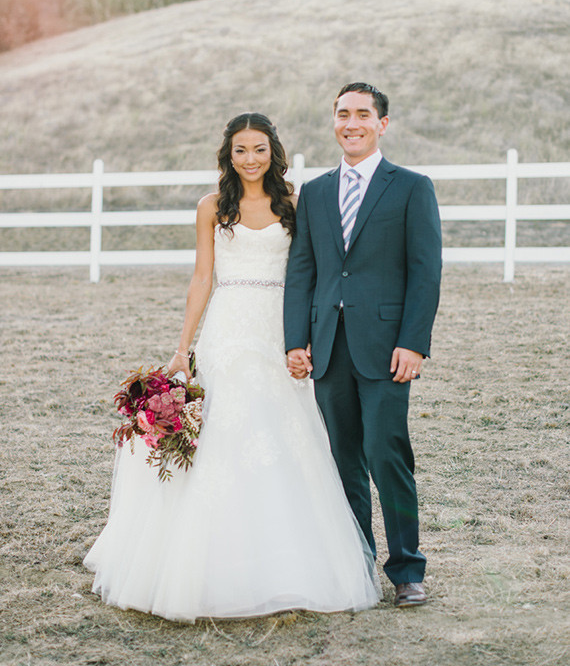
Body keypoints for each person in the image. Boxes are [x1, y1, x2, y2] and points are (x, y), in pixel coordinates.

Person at [84, 112, 380, 622]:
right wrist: (183, 349)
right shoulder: (210, 208)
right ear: (228, 154)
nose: (250, 159)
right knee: (222, 432)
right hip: (227, 327)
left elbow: (308, 273)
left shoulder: (295, 202)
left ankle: (291, 563)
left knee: (287, 430)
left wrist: (304, 337)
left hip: (279, 329)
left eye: (259, 149)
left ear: (274, 152)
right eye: (240, 150)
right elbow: (202, 279)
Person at [284, 83, 442, 608]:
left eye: (362, 114)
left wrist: (414, 343)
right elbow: (302, 269)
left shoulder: (411, 188)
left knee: (385, 453)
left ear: (382, 123)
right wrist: (295, 341)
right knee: (342, 459)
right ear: (334, 121)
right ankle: (356, 565)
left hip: (387, 348)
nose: (351, 123)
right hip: (327, 347)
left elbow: (425, 272)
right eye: (342, 114)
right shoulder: (316, 191)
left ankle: (407, 570)